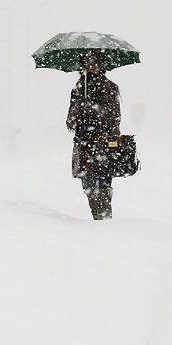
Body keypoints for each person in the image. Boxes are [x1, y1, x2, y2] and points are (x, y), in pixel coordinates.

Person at [66, 51, 121, 220]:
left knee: (103, 182)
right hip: (84, 142)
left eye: (96, 63)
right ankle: (100, 215)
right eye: (89, 63)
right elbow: (70, 122)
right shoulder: (78, 88)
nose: (93, 67)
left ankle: (103, 217)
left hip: (103, 142)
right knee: (88, 183)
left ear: (102, 66)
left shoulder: (110, 87)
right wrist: (77, 110)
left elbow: (115, 116)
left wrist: (94, 111)